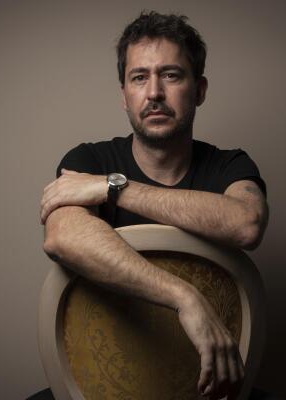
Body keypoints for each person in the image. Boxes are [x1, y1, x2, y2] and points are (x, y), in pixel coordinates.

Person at [33, 11, 270, 400]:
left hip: (208, 385)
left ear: (200, 89)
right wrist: (184, 297)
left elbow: (246, 223)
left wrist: (113, 189)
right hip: (98, 383)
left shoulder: (230, 166)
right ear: (124, 95)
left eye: (172, 75)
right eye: (139, 77)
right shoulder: (88, 160)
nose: (154, 92)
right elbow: (61, 236)